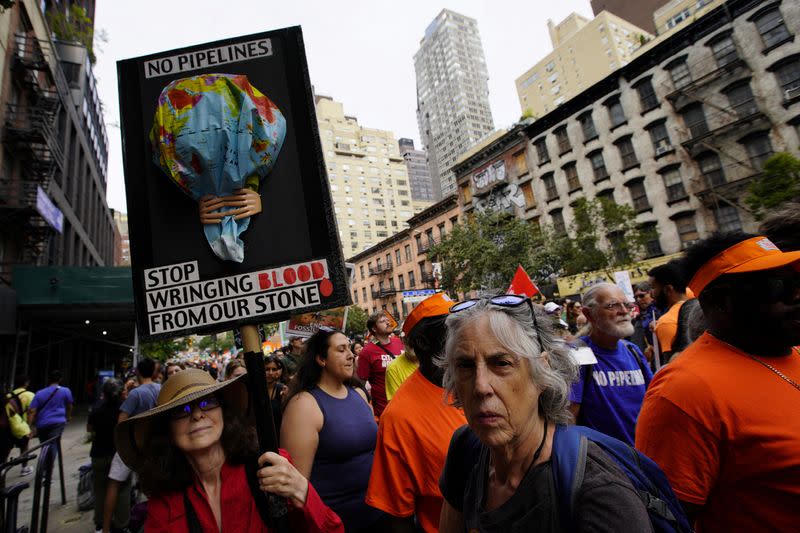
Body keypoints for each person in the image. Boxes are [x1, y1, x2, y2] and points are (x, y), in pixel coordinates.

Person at [437, 296, 652, 531]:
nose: (481, 386)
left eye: (501, 363)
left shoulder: (601, 495)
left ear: (542, 370)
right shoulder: (466, 449)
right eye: (466, 366)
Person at [636, 232, 800, 532]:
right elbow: (665, 520)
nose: (797, 295)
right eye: (779, 286)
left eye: (797, 281)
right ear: (719, 302)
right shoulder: (684, 390)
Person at [114, 368, 344, 532]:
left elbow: (332, 529)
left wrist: (302, 492)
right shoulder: (164, 503)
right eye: (181, 410)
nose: (196, 414)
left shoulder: (270, 468)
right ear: (168, 431)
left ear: (224, 413)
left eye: (207, 403)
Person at [366, 294, 466, 533]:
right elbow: (398, 516)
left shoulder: (481, 381)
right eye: (452, 327)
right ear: (422, 342)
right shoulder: (399, 417)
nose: (464, 331)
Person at [281, 329, 385, 531]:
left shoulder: (359, 394)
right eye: (341, 349)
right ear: (321, 359)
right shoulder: (304, 405)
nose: (351, 355)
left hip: (378, 515)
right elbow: (296, 486)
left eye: (349, 348)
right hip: (336, 524)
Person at [569, 283, 652, 446]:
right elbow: (568, 419)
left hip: (643, 460)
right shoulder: (576, 353)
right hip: (605, 466)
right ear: (589, 314)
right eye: (612, 305)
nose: (624, 311)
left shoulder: (633, 351)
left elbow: (653, 401)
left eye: (626, 304)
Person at [87, 379, 126, 533]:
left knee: (100, 489)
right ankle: (121, 523)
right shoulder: (124, 409)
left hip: (99, 453)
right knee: (122, 489)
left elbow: (89, 428)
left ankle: (100, 523)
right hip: (119, 453)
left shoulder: (97, 408)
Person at [358, 313, 403, 417]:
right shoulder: (366, 352)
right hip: (385, 410)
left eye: (388, 320)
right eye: (383, 321)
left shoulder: (400, 342)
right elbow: (361, 384)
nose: (388, 323)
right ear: (374, 328)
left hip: (407, 404)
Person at [648, 261, 692, 364]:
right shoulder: (701, 305)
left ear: (668, 289)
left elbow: (672, 366)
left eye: (653, 287)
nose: (651, 294)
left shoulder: (666, 322)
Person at [28, 369, 73, 443]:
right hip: (58, 422)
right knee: (53, 443)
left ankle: (45, 453)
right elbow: (69, 406)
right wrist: (68, 417)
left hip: (42, 423)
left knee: (44, 444)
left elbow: (31, 411)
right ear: (60, 379)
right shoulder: (66, 391)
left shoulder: (39, 393)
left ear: (49, 379)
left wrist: (29, 427)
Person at [5, 375, 34, 475]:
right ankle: (24, 468)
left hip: (9, 425)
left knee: (7, 447)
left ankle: (3, 467)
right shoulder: (29, 395)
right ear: (26, 383)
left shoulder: (9, 395)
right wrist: (29, 426)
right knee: (24, 447)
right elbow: (31, 412)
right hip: (22, 425)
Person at [630, 282, 660, 355]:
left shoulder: (662, 311)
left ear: (651, 293)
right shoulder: (638, 319)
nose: (638, 299)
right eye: (636, 297)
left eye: (641, 295)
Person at [264, 355, 287, 439]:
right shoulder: (257, 390)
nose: (270, 373)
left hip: (279, 435)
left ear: (278, 372)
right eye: (267, 369)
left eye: (274, 369)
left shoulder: (282, 389)